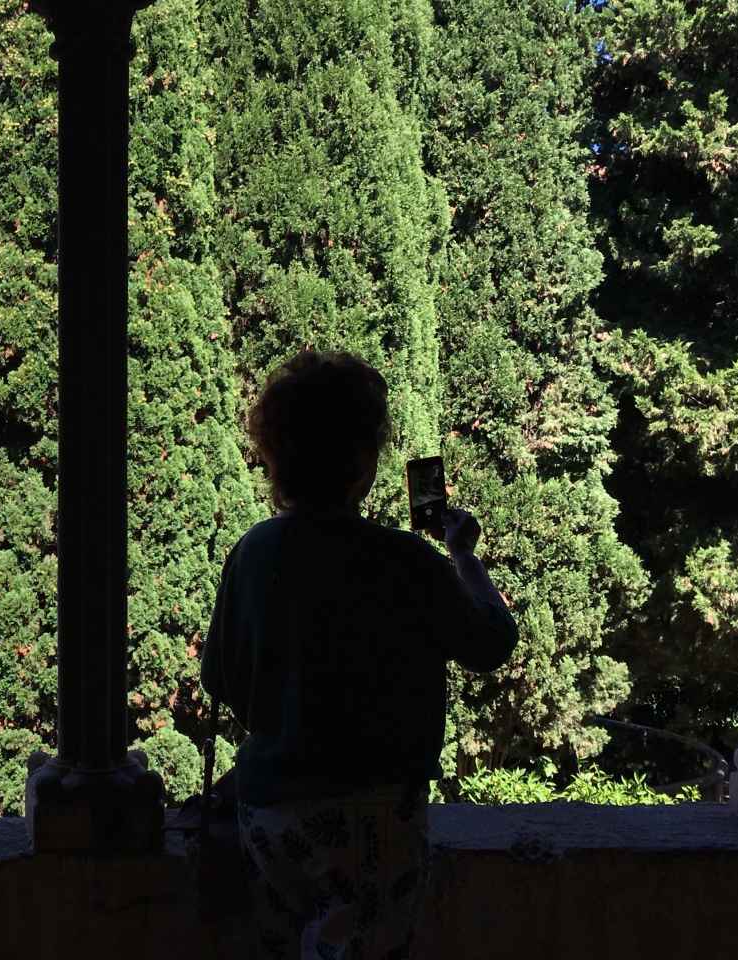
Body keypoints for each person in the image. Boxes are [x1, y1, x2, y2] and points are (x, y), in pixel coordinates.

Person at [202, 350, 518, 959]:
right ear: (365, 463)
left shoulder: (252, 554)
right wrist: (463, 557)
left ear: (273, 457)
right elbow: (492, 642)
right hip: (374, 823)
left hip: (271, 819)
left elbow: (226, 682)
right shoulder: (406, 560)